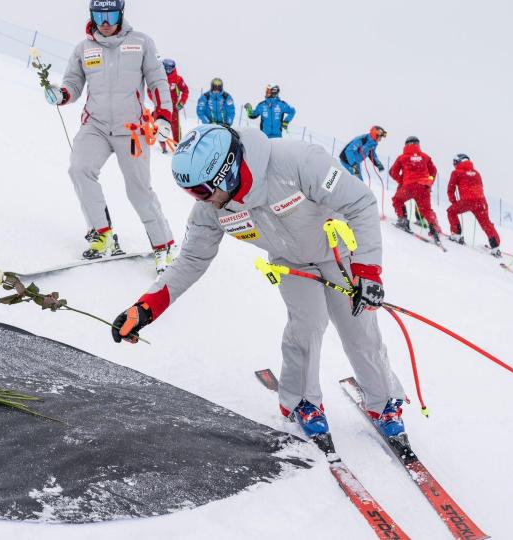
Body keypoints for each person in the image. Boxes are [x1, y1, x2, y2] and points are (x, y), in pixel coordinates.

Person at [110, 124, 408, 443]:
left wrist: (368, 270)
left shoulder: (299, 160)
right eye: (193, 193)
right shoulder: (212, 210)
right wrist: (146, 308)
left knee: (358, 329)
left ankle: (383, 400)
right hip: (290, 262)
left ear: (226, 173)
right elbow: (191, 260)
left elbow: (360, 202)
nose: (201, 200)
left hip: (340, 252)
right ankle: (302, 401)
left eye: (202, 191)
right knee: (306, 327)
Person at [42, 0, 176, 273]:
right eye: (100, 15)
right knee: (79, 169)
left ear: (121, 13)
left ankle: (164, 247)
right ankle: (102, 233)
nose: (105, 21)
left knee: (138, 189)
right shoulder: (83, 49)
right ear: (92, 15)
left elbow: (158, 81)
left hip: (132, 130)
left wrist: (163, 115)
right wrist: (62, 94)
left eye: (111, 14)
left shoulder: (141, 43)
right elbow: (73, 83)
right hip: (97, 126)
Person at [446, 154, 502, 256]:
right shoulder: (476, 173)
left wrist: (454, 202)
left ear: (458, 162)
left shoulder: (456, 172)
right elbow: (481, 187)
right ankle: (495, 246)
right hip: (481, 201)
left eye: (455, 163)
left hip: (467, 201)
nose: (454, 165)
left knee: (451, 212)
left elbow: (450, 190)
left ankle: (456, 234)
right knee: (486, 223)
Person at [389, 136, 442, 242]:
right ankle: (434, 229)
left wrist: (402, 181)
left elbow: (392, 172)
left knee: (397, 200)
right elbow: (434, 171)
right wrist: (429, 182)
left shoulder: (402, 157)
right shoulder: (425, 157)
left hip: (409, 186)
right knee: (426, 210)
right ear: (418, 144)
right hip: (424, 187)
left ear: (406, 145)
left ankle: (403, 220)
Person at [153, 58, 189, 154]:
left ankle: (178, 146)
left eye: (170, 69)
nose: (168, 71)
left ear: (173, 68)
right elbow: (150, 90)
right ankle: (163, 146)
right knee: (160, 126)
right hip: (160, 107)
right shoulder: (157, 78)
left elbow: (185, 90)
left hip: (173, 107)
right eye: (166, 69)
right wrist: (156, 101)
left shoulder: (178, 79)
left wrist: (181, 102)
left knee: (175, 128)